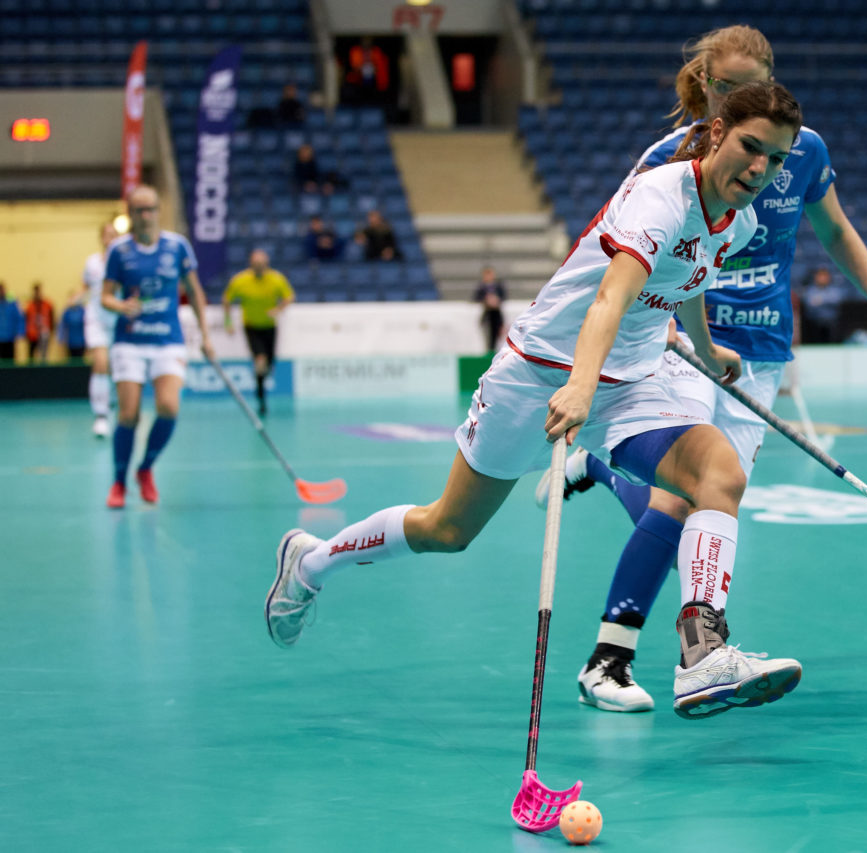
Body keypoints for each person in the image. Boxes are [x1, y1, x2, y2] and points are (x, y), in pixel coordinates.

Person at [266, 81, 810, 720]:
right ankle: (312, 561)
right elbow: (610, 296)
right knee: (448, 529)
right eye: (752, 147)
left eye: (776, 158)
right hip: (542, 372)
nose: (760, 168)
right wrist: (579, 385)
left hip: (632, 384)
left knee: (719, 474)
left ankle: (702, 654)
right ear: (718, 132)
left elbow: (686, 282)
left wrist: (707, 349)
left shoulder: (739, 222)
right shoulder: (662, 196)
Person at [537, 25, 867, 714]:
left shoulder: (802, 151)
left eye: (754, 84)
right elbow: (621, 254)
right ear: (706, 89)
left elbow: (835, 229)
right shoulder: (668, 159)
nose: (738, 96)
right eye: (726, 87)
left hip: (760, 350)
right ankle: (631, 658)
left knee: (707, 499)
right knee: (688, 496)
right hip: (685, 341)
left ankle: (604, 475)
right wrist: (644, 329)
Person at [99, 185, 214, 509]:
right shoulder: (119, 250)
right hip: (129, 342)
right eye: (139, 210)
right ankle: (119, 482)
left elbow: (194, 291)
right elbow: (105, 296)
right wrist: (121, 306)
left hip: (168, 340)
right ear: (130, 214)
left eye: (150, 209)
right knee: (129, 414)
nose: (146, 215)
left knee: (168, 407)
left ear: (158, 211)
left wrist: (206, 336)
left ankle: (146, 468)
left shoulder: (177, 246)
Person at [223, 248, 294, 416]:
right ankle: (261, 396)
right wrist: (228, 321)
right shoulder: (241, 280)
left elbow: (289, 296)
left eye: (262, 264)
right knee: (260, 359)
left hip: (269, 326)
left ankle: (260, 381)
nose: (259, 267)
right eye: (256, 264)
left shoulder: (276, 279)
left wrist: (278, 309)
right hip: (252, 327)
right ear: (251, 264)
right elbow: (227, 299)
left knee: (269, 364)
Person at [83, 222, 120, 437]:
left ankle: (112, 402)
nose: (110, 239)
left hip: (119, 320)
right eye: (107, 235)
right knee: (100, 364)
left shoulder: (125, 261)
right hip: (96, 320)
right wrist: (75, 299)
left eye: (114, 235)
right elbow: (86, 287)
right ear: (101, 238)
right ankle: (101, 415)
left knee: (116, 367)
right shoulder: (92, 262)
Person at [798, 266, 845, 343]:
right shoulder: (810, 290)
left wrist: (821, 300)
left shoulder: (834, 289)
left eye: (824, 276)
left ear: (828, 277)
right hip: (814, 323)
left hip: (830, 323)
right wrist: (824, 301)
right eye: (820, 276)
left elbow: (836, 300)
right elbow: (809, 303)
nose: (822, 278)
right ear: (815, 277)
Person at [473, 265, 507, 352]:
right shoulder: (480, 287)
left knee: (497, 338)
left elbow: (503, 297)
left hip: (497, 315)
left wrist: (496, 300)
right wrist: (486, 300)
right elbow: (475, 298)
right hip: (487, 316)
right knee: (487, 338)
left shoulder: (498, 286)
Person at [24, 283, 56, 364]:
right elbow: (26, 319)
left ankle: (43, 369)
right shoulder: (29, 305)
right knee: (31, 355)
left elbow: (52, 318)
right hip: (32, 334)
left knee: (44, 354)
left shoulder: (47, 304)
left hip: (44, 332)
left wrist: (51, 330)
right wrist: (26, 333)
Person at [59, 290, 87, 360]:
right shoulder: (67, 312)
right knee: (71, 360)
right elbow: (62, 327)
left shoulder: (82, 311)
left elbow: (87, 326)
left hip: (81, 342)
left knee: (80, 360)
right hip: (70, 342)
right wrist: (61, 339)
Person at [0, 282, 22, 361]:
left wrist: (19, 332)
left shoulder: (12, 302)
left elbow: (19, 318)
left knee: (10, 359)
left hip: (10, 337)